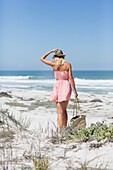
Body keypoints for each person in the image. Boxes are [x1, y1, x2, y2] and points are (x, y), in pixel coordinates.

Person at [40, 49, 78, 128]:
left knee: (59, 112)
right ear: (63, 57)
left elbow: (42, 58)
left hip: (58, 85)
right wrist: (75, 91)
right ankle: (64, 128)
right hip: (66, 85)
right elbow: (71, 78)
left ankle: (60, 130)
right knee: (64, 110)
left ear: (55, 57)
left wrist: (50, 51)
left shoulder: (53, 64)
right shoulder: (68, 64)